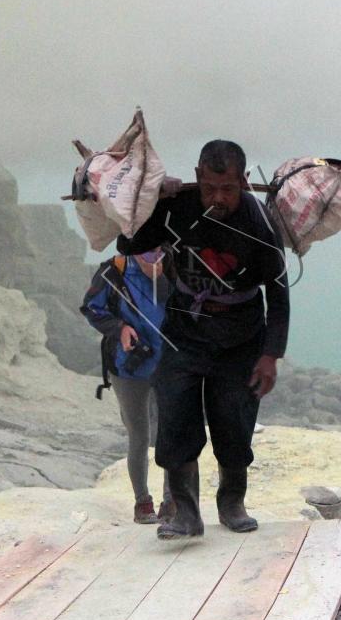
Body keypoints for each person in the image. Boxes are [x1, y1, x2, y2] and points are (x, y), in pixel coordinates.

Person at [116, 139, 289, 540]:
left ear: (244, 182)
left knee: (233, 420)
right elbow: (128, 245)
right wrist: (150, 201)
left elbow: (278, 294)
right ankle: (185, 513)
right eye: (210, 187)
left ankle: (232, 503)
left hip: (241, 337)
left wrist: (270, 356)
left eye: (228, 189)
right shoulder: (178, 207)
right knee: (175, 418)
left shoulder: (260, 224)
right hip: (184, 332)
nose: (218, 197)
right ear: (198, 177)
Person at [81, 247, 172, 524]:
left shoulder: (175, 267)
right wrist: (119, 328)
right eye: (147, 254)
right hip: (127, 366)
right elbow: (91, 307)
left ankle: (172, 501)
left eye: (158, 253)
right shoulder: (114, 270)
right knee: (139, 434)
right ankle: (142, 502)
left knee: (171, 432)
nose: (153, 260)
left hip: (169, 364)